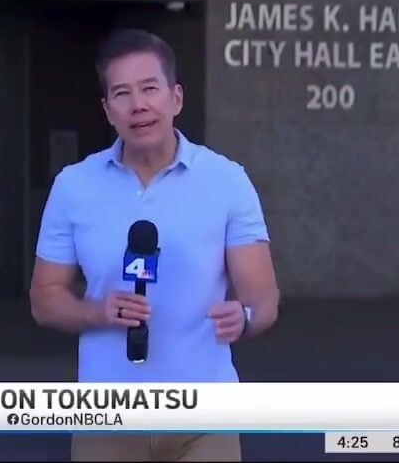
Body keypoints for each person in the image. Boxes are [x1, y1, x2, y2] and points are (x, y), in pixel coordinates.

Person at [29, 29, 280, 461]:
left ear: (175, 98)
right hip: (107, 417)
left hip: (206, 416)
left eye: (149, 88)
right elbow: (44, 299)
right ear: (108, 110)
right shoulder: (73, 186)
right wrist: (97, 311)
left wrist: (244, 318)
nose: (138, 105)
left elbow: (264, 298)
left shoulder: (226, 180)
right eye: (122, 94)